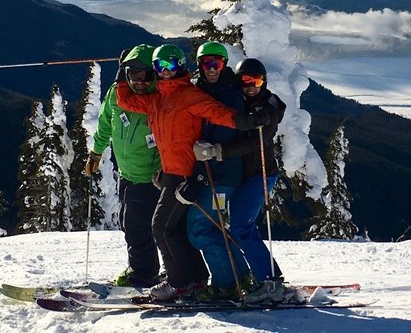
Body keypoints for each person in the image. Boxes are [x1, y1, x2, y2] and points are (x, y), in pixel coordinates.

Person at [116, 44, 270, 301]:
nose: (166, 72)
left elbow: (218, 113)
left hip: (186, 175)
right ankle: (195, 278)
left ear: (181, 66)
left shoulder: (188, 95)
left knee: (161, 227)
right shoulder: (156, 99)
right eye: (160, 67)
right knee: (175, 228)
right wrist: (122, 72)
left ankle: (180, 283)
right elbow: (125, 100)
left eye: (171, 66)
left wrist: (248, 122)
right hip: (172, 174)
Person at [192, 57, 287, 303]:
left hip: (260, 175)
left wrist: (219, 151)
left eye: (256, 81)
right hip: (241, 177)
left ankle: (270, 281)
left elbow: (256, 141)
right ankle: (256, 277)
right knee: (232, 227)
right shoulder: (242, 102)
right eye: (245, 81)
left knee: (242, 227)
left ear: (264, 81)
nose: (250, 86)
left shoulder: (267, 106)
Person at [85, 44, 162, 288]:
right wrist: (96, 152)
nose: (139, 81)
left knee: (138, 227)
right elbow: (106, 124)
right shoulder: (116, 95)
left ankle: (144, 273)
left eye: (146, 75)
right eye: (133, 74)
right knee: (127, 221)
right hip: (126, 173)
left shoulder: (159, 100)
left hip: (150, 177)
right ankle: (146, 269)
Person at [187, 41, 251, 299]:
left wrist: (208, 155)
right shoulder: (200, 88)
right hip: (209, 171)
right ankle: (241, 277)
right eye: (206, 63)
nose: (211, 68)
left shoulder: (231, 93)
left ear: (224, 65)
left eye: (217, 63)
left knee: (201, 228)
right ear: (200, 64)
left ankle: (226, 284)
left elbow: (226, 131)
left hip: (222, 174)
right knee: (215, 228)